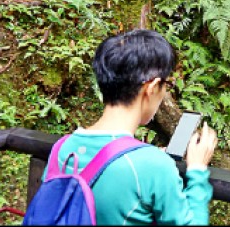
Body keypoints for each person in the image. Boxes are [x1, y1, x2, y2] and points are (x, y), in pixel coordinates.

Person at [41, 29, 218, 225]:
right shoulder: (153, 165)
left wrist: (146, 154)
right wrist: (198, 171)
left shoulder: (62, 148)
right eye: (166, 85)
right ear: (151, 88)